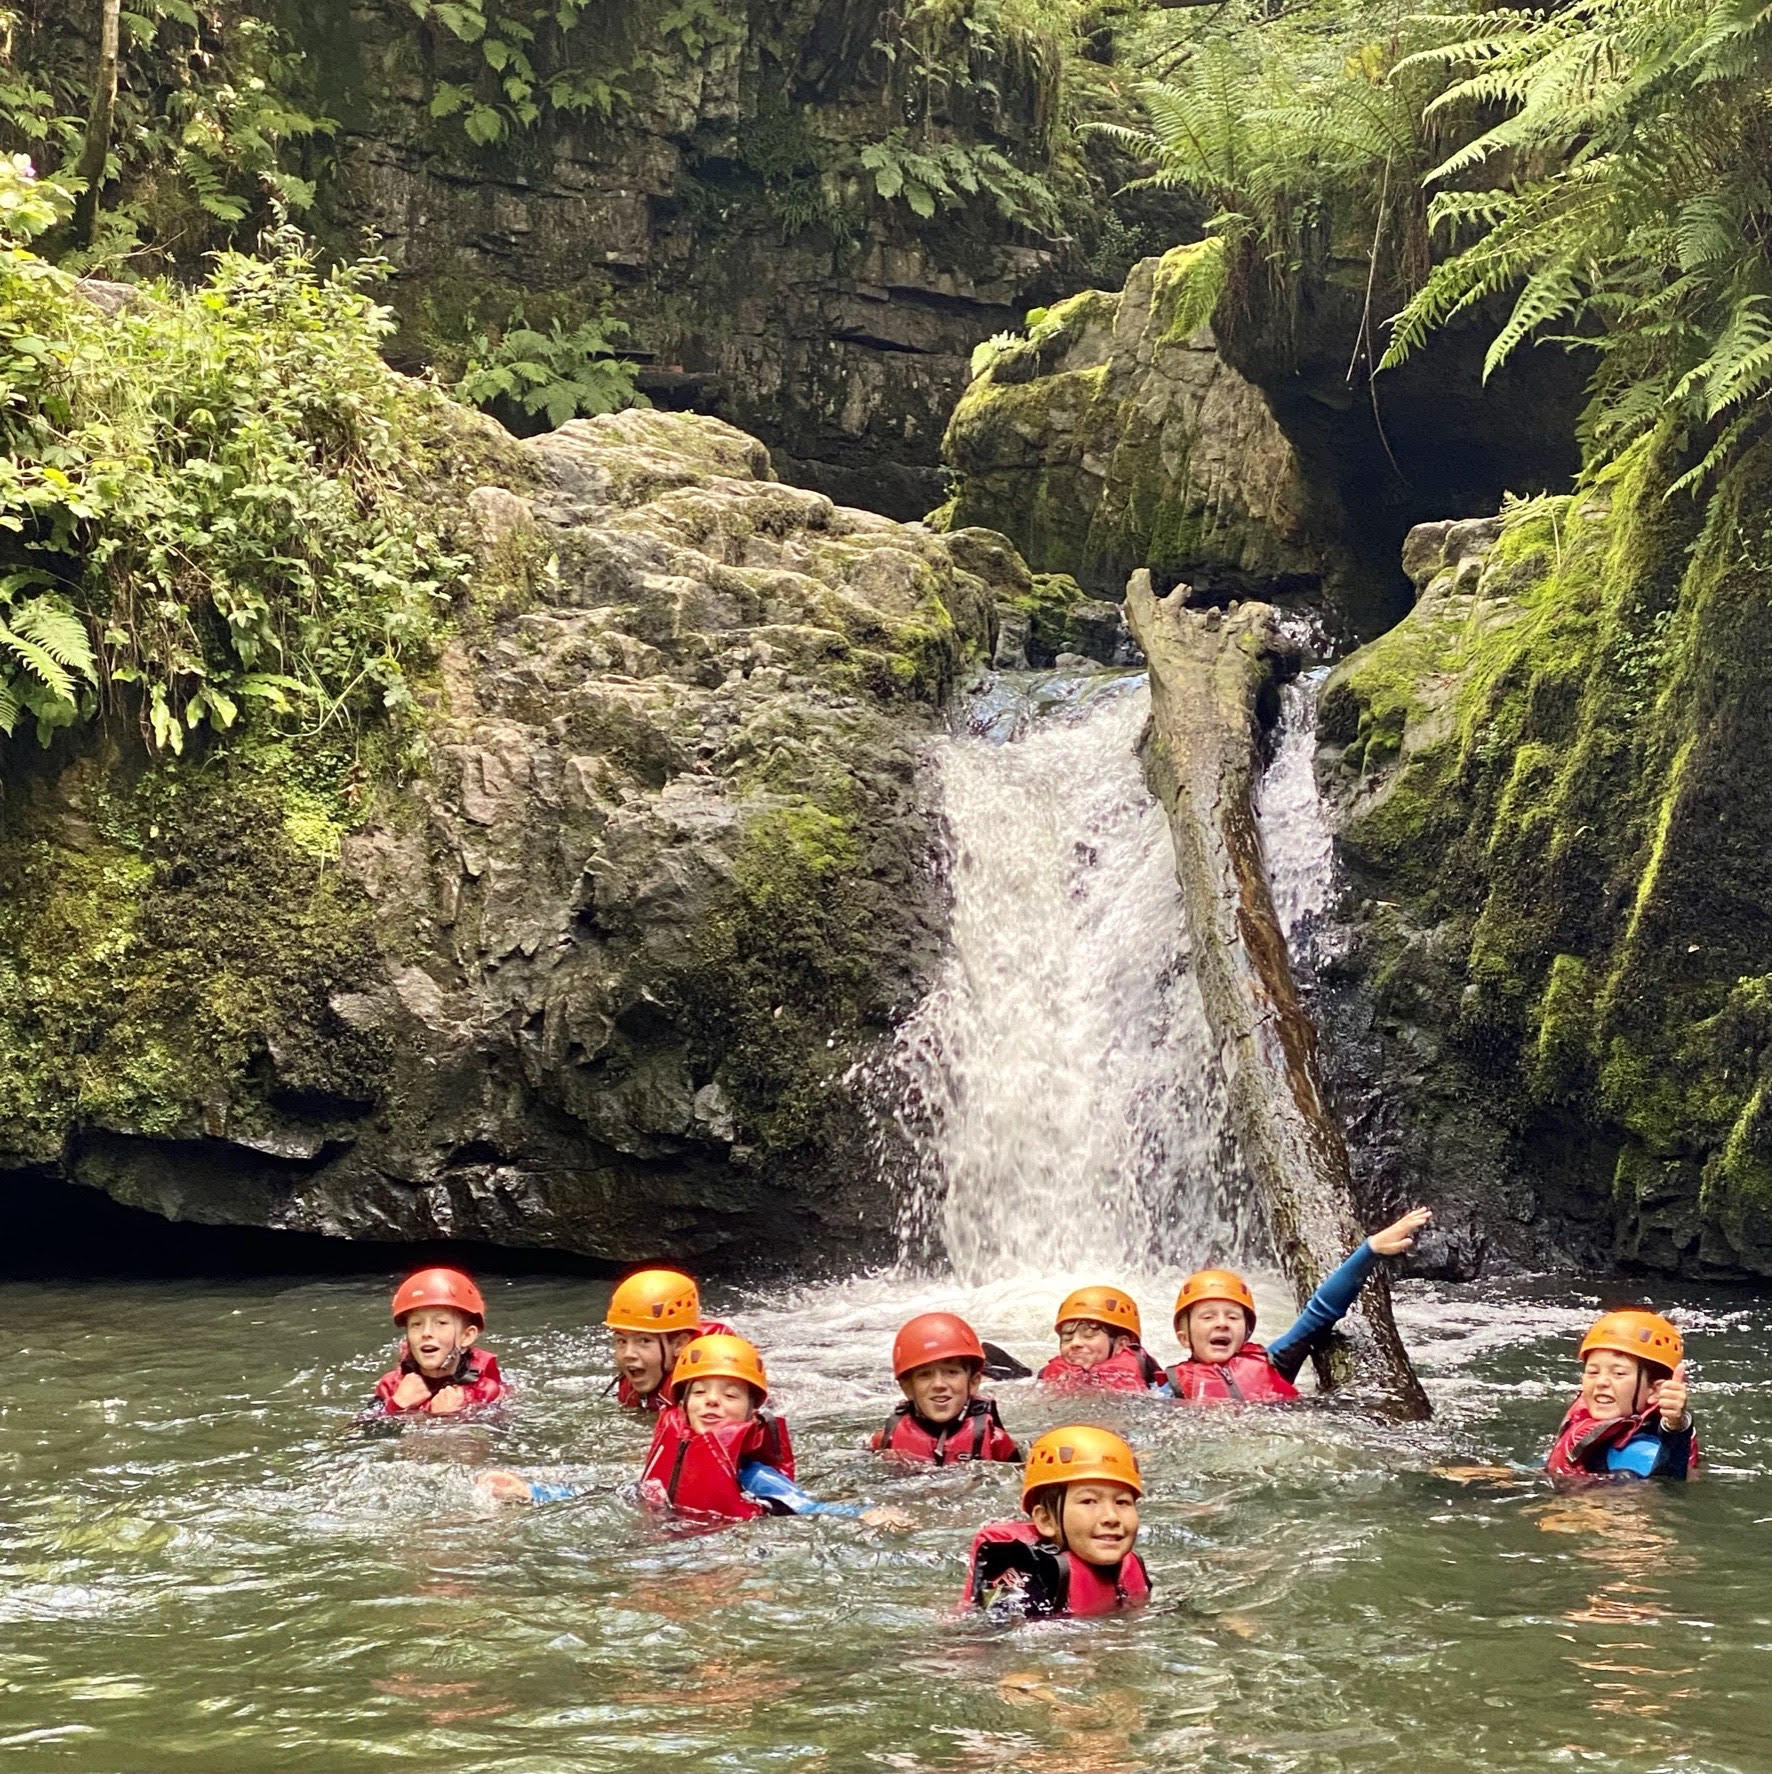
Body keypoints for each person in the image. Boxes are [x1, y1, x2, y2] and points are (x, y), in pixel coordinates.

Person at [1167, 1206, 1433, 1403]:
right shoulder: (1171, 1391)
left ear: (1247, 1332)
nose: (1222, 1323)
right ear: (1183, 1337)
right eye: (1208, 1317)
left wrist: (1369, 1249)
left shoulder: (1273, 1361)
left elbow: (1322, 1311)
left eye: (1233, 1317)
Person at [965, 1425, 1151, 1618]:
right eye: (1088, 1501)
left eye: (1122, 1502)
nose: (1111, 1517)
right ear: (1046, 1520)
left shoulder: (1132, 1564)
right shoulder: (1032, 1573)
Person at [1547, 1310, 1697, 1480]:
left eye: (1618, 1373)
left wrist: (1675, 1429)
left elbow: (1666, 1485)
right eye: (1593, 1372)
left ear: (1655, 1391)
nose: (1601, 1382)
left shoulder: (1643, 1452)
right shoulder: (1585, 1422)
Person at [872, 1312, 1021, 1465]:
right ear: (907, 1388)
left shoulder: (996, 1441)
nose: (939, 1384)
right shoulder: (884, 1441)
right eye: (925, 1375)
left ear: (973, 1382)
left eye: (951, 1372)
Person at [371, 1266, 506, 1417]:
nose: (426, 1333)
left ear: (466, 1336)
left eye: (441, 1323)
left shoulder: (485, 1392)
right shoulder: (390, 1386)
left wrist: (449, 1420)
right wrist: (396, 1405)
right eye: (416, 1324)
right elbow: (356, 1435)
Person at [604, 1267, 731, 1413]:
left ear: (679, 1344)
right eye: (622, 1341)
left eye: (644, 1341)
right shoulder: (636, 1380)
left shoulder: (707, 1392)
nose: (628, 1354)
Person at [1038, 1287, 1165, 1392]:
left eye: (1089, 1334)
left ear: (1121, 1344)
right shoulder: (1047, 1378)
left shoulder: (1150, 1384)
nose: (1075, 1343)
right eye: (1067, 1338)